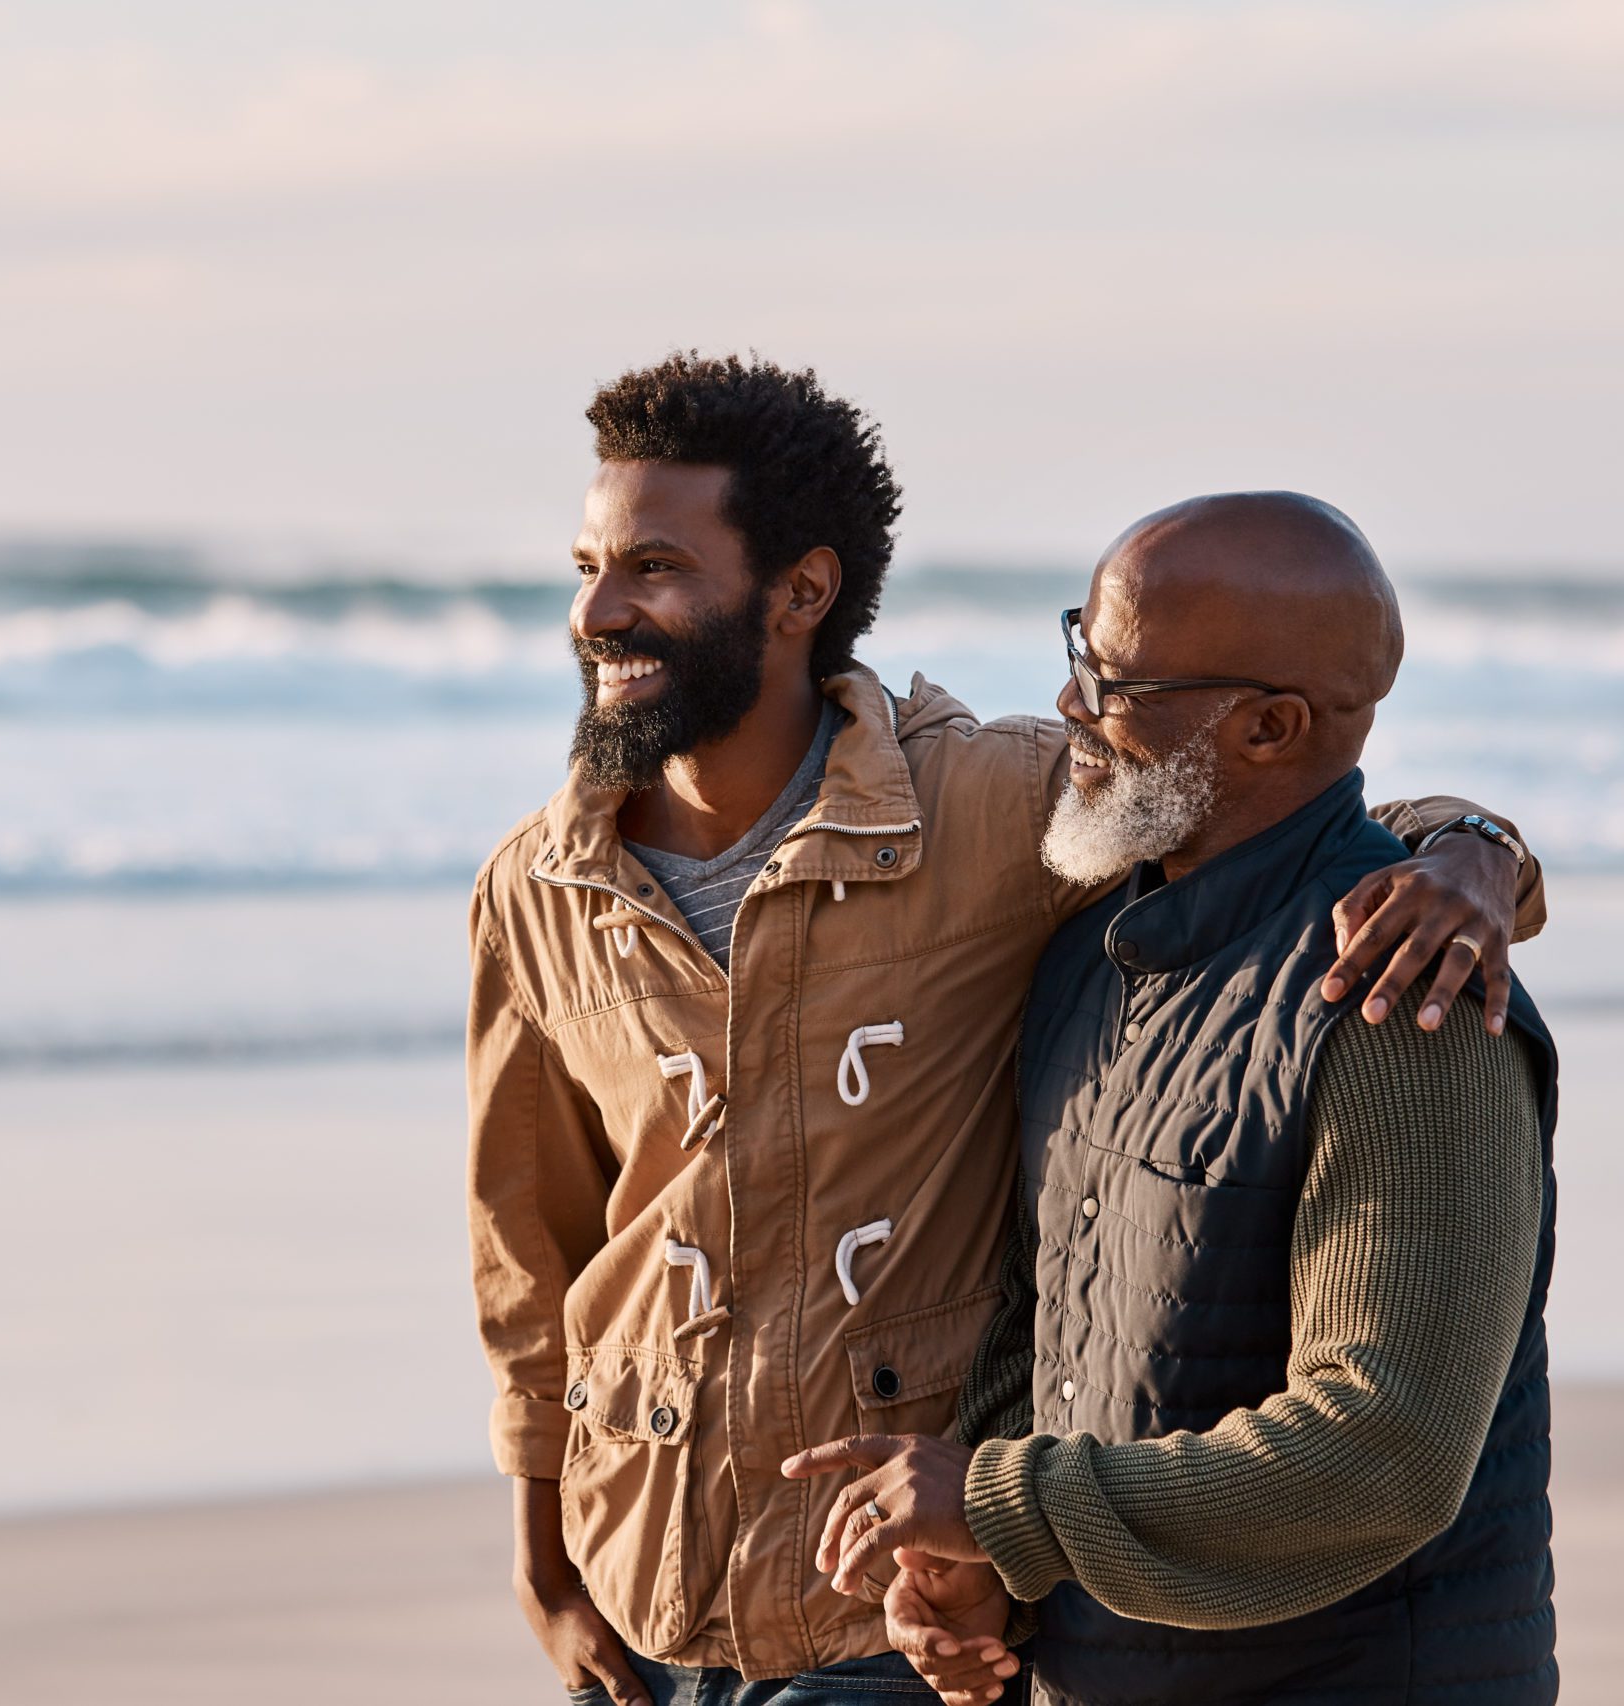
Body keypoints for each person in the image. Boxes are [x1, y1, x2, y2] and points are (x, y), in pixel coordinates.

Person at [467, 360, 1545, 1705]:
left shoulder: (999, 811)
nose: (598, 609)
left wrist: (1475, 852)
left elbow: (1294, 812)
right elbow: (531, 1253)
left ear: (801, 591)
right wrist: (546, 1566)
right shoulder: (536, 886)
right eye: (589, 563)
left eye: (655, 566)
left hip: (881, 1623)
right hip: (648, 1598)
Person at [782, 493, 1559, 1706]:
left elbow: (1382, 1450)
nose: (1069, 707)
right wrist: (990, 1566)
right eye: (1075, 651)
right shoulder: (1093, 953)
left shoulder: (1405, 1010)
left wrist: (1001, 1504)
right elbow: (1044, 1323)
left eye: (1112, 679)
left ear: (1267, 725)